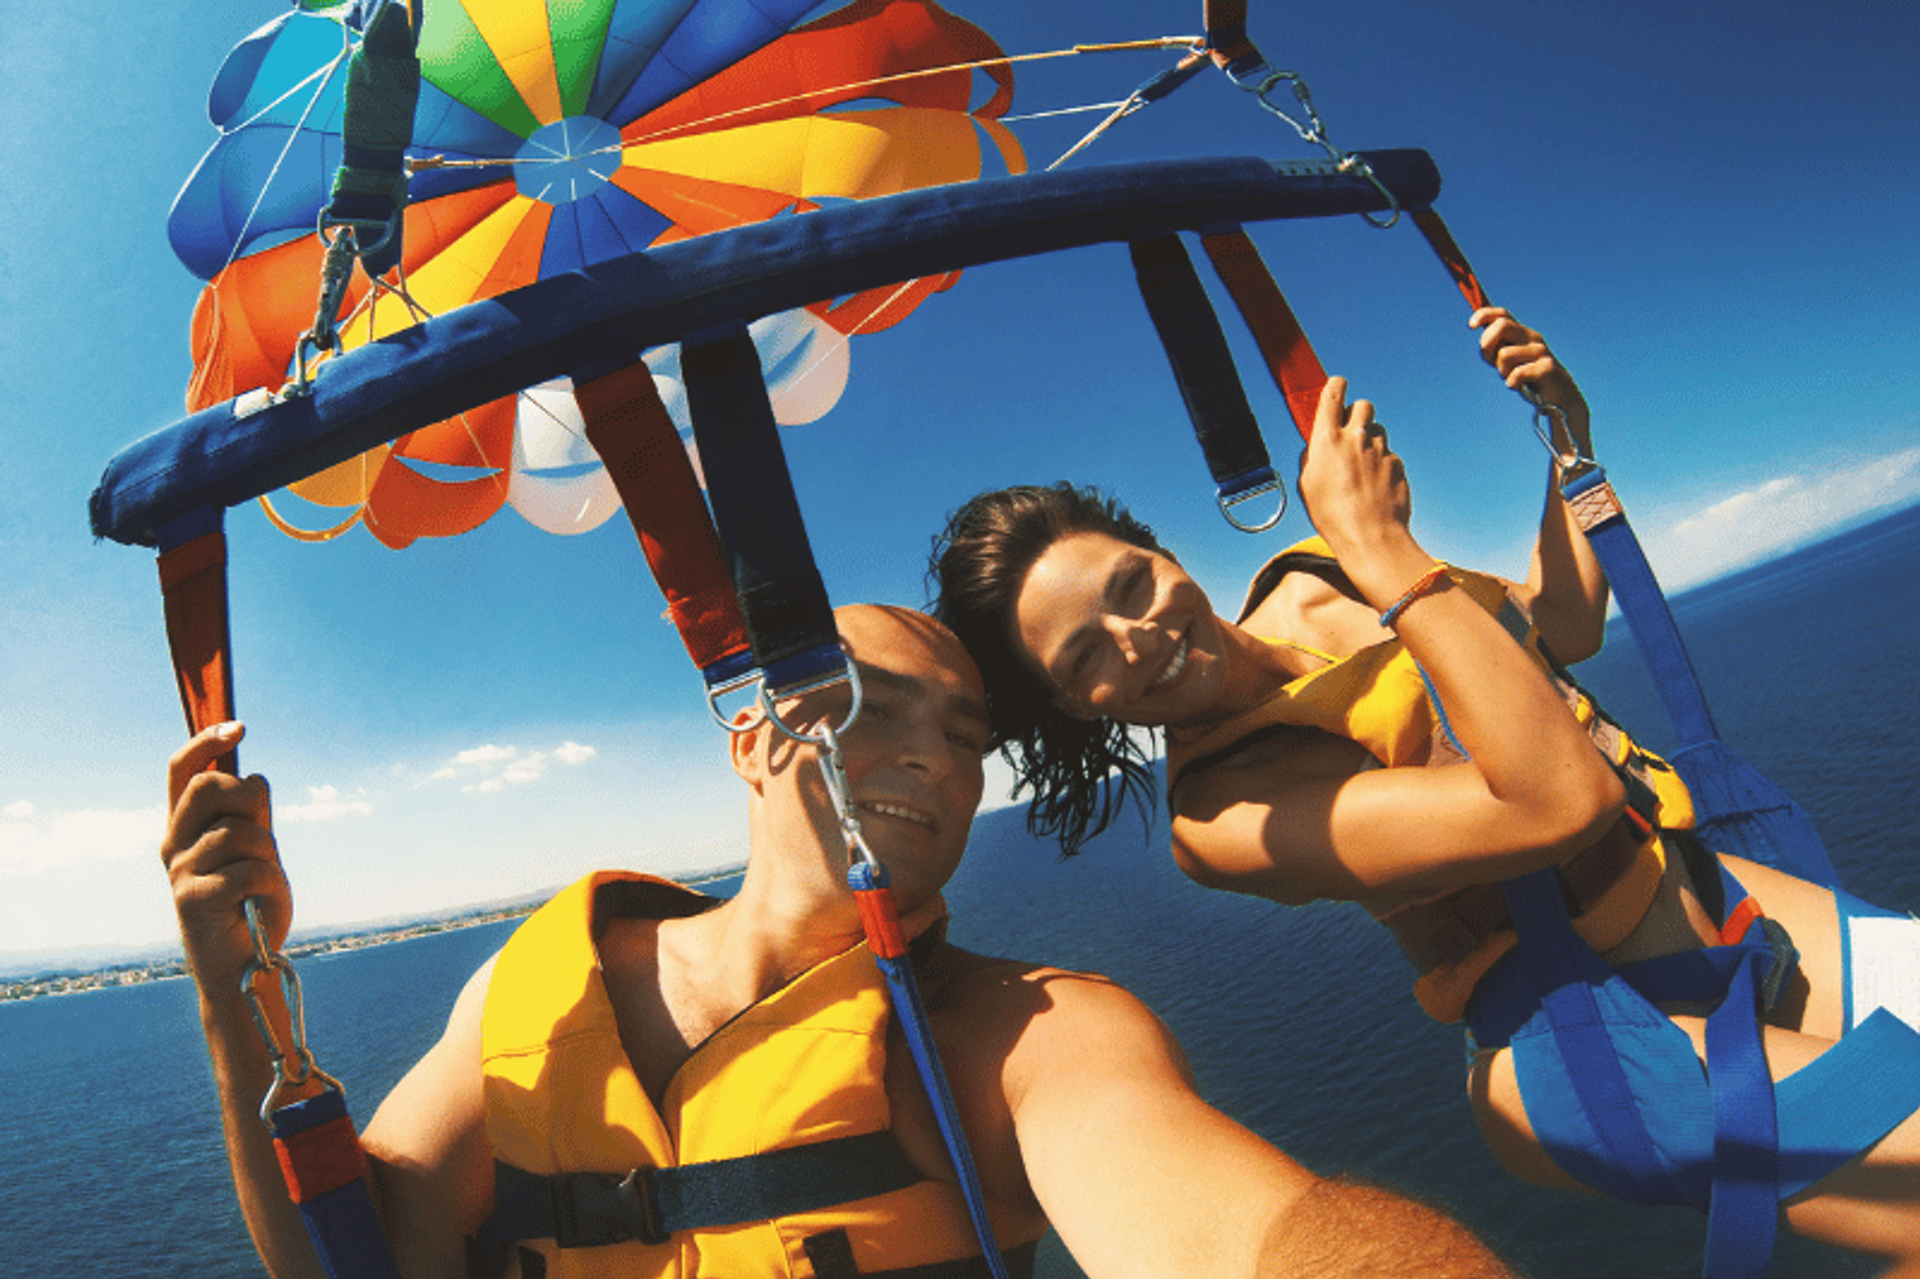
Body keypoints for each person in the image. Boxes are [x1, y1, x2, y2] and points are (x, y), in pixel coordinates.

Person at [927, 310, 1920, 1268]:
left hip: (1709, 896)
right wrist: (1389, 555)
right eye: (1087, 655)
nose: (1138, 637)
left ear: (1164, 552)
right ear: (1076, 708)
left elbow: (1558, 630)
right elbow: (1555, 802)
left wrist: (1568, 442)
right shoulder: (1223, 813)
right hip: (1589, 1031)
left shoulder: (1321, 575)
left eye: (1131, 585)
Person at [162, 603, 1519, 1279]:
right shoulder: (531, 980)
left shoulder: (1017, 1039)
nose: (932, 757)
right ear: (750, 736)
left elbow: (1249, 1236)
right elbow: (355, 1247)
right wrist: (240, 1002)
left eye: (966, 736)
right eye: (871, 704)